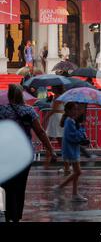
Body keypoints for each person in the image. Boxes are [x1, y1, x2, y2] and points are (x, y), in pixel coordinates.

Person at [0, 84, 56, 222]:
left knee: (7, 186)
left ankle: (8, 216)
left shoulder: (1, 110)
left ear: (9, 96)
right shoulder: (29, 111)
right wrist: (51, 149)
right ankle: (17, 216)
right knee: (20, 186)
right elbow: (41, 132)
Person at [53, 102, 88, 202]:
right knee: (78, 172)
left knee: (76, 172)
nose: (76, 111)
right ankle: (60, 187)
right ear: (68, 111)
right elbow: (72, 137)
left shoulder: (72, 121)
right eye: (73, 109)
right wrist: (81, 128)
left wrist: (80, 128)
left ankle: (74, 193)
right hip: (70, 150)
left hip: (73, 149)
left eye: (77, 109)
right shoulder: (69, 121)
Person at [45, 86, 66, 171]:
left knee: (48, 140)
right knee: (58, 142)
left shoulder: (58, 97)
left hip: (56, 118)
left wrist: (45, 118)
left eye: (53, 87)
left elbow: (53, 109)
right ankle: (53, 158)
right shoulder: (59, 97)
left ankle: (48, 162)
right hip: (57, 118)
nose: (51, 88)